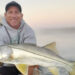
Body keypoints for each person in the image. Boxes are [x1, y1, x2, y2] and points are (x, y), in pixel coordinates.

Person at [0, 1, 37, 75]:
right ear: (5, 15)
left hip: (26, 62)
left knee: (33, 65)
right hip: (7, 65)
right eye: (10, 12)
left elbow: (31, 55)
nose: (13, 16)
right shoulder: (1, 31)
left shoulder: (28, 31)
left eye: (16, 12)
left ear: (21, 15)